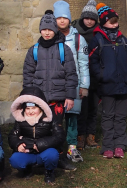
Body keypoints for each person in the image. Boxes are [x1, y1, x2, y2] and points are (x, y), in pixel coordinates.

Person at [22, 10, 78, 172]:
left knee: (57, 129)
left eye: (50, 29)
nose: (47, 32)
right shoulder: (33, 50)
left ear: (55, 30)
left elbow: (71, 74)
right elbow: (28, 75)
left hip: (57, 99)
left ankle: (59, 157)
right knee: (39, 129)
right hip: (38, 100)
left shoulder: (64, 50)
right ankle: (39, 157)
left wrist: (70, 96)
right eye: (44, 29)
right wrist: (28, 98)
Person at [88, 2, 127, 159]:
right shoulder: (97, 40)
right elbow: (92, 61)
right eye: (112, 22)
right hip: (107, 86)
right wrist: (102, 75)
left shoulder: (123, 39)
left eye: (116, 21)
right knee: (108, 116)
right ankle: (108, 146)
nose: (115, 24)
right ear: (104, 22)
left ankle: (120, 145)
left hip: (123, 85)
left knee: (120, 116)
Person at [54, 0, 90, 164]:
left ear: (69, 19)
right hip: (55, 85)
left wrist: (84, 85)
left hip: (73, 84)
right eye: (58, 18)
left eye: (65, 17)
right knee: (55, 118)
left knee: (72, 118)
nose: (62, 21)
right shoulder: (51, 37)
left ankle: (72, 146)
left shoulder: (78, 39)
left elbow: (83, 64)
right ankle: (56, 147)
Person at [8, 88, 63, 185]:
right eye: (28, 108)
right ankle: (27, 169)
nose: (31, 111)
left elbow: (59, 136)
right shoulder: (20, 120)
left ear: (41, 107)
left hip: (45, 150)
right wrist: (18, 144)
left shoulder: (50, 118)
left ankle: (49, 171)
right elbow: (12, 136)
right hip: (27, 151)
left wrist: (40, 144)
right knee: (15, 160)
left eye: (34, 108)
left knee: (52, 155)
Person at [71, 0, 100, 149]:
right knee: (81, 108)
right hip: (81, 76)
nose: (89, 21)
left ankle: (91, 135)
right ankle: (80, 135)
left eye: (92, 19)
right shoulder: (74, 32)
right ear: (82, 18)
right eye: (86, 18)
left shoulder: (99, 33)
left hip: (95, 76)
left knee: (93, 108)